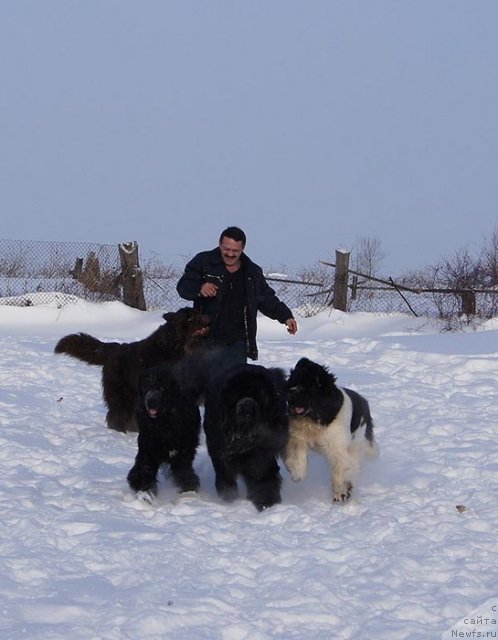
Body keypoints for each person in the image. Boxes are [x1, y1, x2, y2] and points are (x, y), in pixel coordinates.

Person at [176, 226, 297, 366]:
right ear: (220, 244)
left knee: (234, 382)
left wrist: (286, 316)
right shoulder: (203, 262)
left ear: (242, 249)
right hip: (205, 338)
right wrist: (200, 288)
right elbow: (183, 286)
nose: (230, 254)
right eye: (226, 249)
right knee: (205, 384)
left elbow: (266, 298)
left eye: (235, 251)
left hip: (237, 342)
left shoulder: (252, 272)